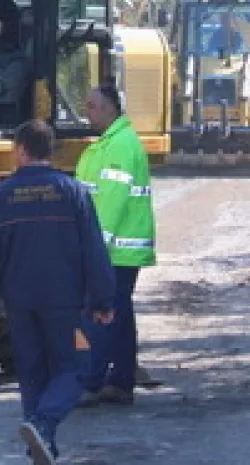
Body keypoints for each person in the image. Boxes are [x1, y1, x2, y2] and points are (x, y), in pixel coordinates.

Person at [0, 119, 115, 465]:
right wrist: (103, 298)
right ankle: (43, 423)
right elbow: (93, 249)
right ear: (48, 150)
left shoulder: (0, 196)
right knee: (76, 367)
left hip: (19, 301)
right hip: (66, 302)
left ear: (21, 150)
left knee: (31, 371)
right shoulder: (72, 192)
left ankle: (42, 446)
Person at [75, 83, 156, 408]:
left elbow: (110, 203)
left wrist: (95, 250)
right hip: (120, 249)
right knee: (118, 315)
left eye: (93, 106)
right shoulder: (111, 143)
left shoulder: (119, 146)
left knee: (101, 315)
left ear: (110, 108)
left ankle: (91, 383)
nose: (87, 111)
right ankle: (121, 381)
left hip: (114, 250)